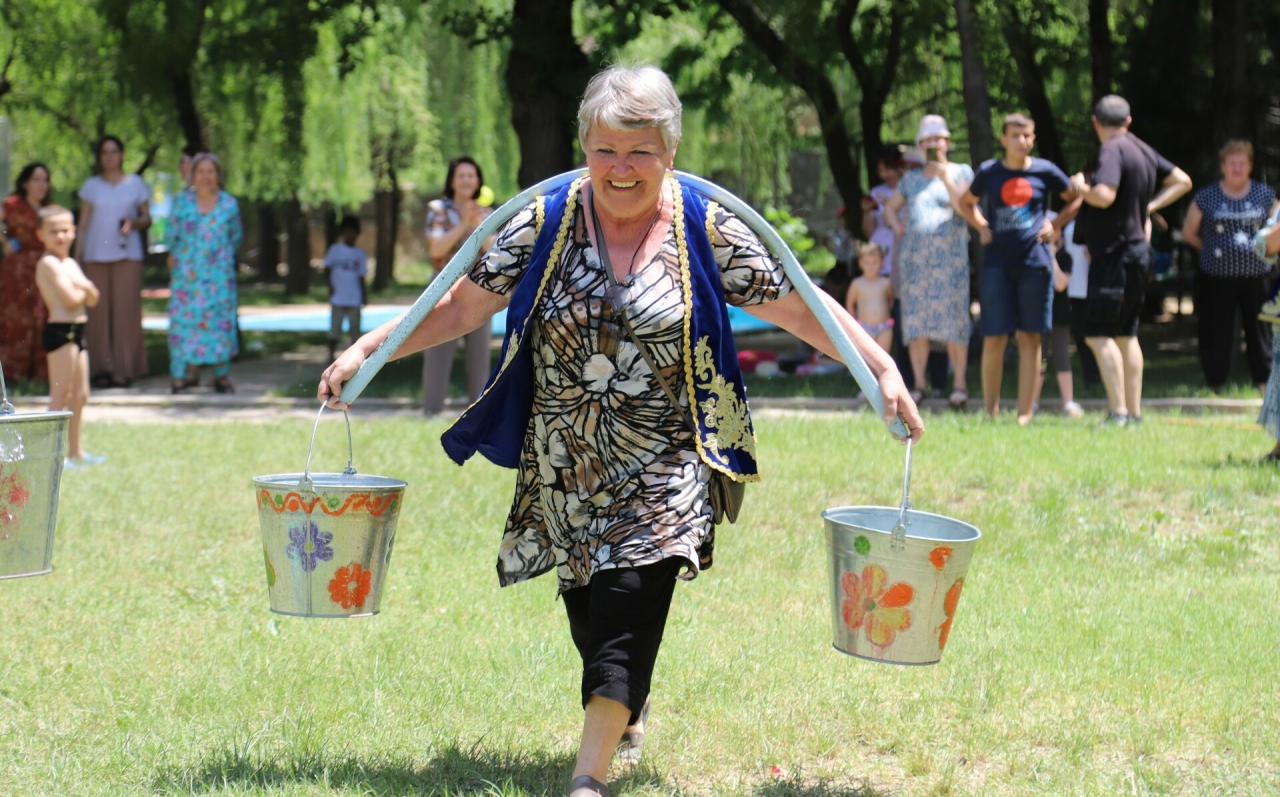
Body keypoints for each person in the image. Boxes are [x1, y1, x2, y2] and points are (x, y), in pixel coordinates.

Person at [318, 65, 923, 797]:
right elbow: (453, 309)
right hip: (564, 463)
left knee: (634, 592)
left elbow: (799, 306)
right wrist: (365, 352)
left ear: (668, 151)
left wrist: (881, 366)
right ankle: (625, 706)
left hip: (668, 458)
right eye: (605, 150)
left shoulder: (705, 223)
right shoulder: (543, 218)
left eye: (639, 151)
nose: (621, 168)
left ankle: (588, 775)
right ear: (585, 147)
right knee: (593, 609)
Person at [1070, 95, 1192, 426]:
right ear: (1128, 121)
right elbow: (1183, 180)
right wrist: (1149, 207)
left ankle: (1118, 412)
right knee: (1126, 334)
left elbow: (1104, 195)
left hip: (1114, 255)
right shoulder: (1142, 148)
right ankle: (1134, 413)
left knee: (1098, 333)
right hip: (1139, 252)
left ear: (1096, 122)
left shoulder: (1111, 149)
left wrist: (1080, 187)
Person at [958, 113, 1081, 424]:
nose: (1021, 141)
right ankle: (990, 412)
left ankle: (1024, 414)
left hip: (1035, 264)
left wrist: (1056, 225)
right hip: (997, 265)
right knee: (994, 337)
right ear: (1004, 139)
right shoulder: (989, 171)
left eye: (1027, 135)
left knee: (1030, 338)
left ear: (1033, 138)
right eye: (1015, 135)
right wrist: (980, 225)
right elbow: (964, 202)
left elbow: (1075, 199)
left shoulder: (1045, 170)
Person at [884, 114, 975, 408]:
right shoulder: (910, 180)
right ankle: (919, 386)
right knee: (917, 323)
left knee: (954, 321)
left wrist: (943, 175)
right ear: (920, 146)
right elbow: (890, 207)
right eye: (927, 141)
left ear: (947, 142)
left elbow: (966, 209)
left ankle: (959, 385)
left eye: (938, 139)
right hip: (916, 265)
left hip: (951, 264)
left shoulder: (961, 172)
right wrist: (896, 225)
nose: (933, 144)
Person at [1180, 140, 1275, 394]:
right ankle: (1214, 383)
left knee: (1260, 332)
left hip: (1257, 277)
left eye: (1242, 163)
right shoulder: (1206, 196)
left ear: (1250, 166)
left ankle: (1264, 383)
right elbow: (1189, 232)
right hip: (1216, 277)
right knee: (1216, 330)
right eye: (1232, 163)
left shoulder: (1264, 195)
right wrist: (1211, 250)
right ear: (1223, 166)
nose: (1237, 168)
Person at [76, 135, 151, 388]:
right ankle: (100, 370)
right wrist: (75, 259)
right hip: (95, 255)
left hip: (128, 255)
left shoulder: (136, 184)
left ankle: (124, 370)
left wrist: (134, 222)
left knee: (125, 314)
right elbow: (83, 225)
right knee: (96, 315)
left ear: (122, 154)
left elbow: (147, 218)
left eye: (114, 151)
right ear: (100, 157)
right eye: (105, 152)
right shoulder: (91, 186)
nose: (109, 156)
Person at [421, 156, 495, 415]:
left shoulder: (487, 213)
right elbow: (436, 247)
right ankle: (431, 412)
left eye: (471, 176)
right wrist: (463, 223)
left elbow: (496, 252)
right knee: (437, 352)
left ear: (478, 181)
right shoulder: (439, 210)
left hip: (478, 290)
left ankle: (478, 415)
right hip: (442, 291)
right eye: (461, 175)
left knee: (479, 358)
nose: (466, 180)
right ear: (452, 180)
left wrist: (477, 224)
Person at [165, 153, 242, 394]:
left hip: (219, 278)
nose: (206, 177)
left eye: (211, 172)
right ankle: (181, 376)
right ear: (192, 175)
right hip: (187, 278)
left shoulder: (229, 204)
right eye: (201, 172)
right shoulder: (181, 203)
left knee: (220, 324)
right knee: (183, 325)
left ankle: (221, 376)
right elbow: (170, 235)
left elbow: (236, 237)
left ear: (218, 175)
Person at [33, 205, 103, 467]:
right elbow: (73, 299)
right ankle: (51, 456)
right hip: (60, 333)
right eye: (53, 231)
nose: (60, 236)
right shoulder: (48, 263)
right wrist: (84, 286)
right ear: (41, 234)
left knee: (81, 394)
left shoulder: (70, 263)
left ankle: (76, 451)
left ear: (74, 231)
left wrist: (83, 288)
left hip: (78, 332)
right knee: (60, 396)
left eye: (65, 230)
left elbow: (93, 298)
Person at [0, 163, 53, 382]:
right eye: (36, 179)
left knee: (42, 317)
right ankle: (13, 372)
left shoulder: (48, 209)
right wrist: (4, 242)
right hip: (17, 272)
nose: (41, 185)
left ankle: (40, 373)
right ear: (25, 183)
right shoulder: (12, 204)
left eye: (45, 180)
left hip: (43, 269)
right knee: (15, 318)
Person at [324, 216, 367, 362]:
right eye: (346, 231)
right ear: (342, 232)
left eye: (352, 232)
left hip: (354, 298)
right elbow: (327, 269)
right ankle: (330, 356)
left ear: (358, 233)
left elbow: (362, 276)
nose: (349, 235)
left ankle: (354, 358)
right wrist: (330, 287)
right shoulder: (335, 250)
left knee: (355, 331)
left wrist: (363, 295)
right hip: (338, 297)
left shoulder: (360, 254)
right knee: (335, 329)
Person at [845, 242, 894, 352]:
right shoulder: (857, 283)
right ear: (861, 263)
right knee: (868, 359)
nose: (871, 266)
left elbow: (890, 301)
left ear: (882, 262)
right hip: (864, 327)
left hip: (884, 327)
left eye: (875, 262)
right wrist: (853, 324)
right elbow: (850, 303)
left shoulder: (886, 283)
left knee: (883, 357)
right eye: (867, 262)